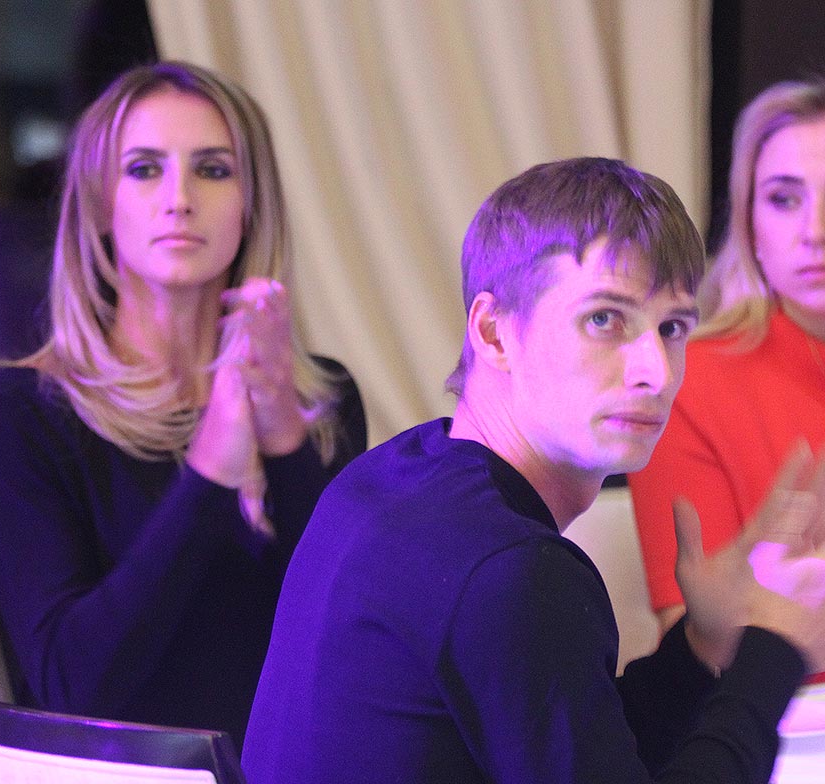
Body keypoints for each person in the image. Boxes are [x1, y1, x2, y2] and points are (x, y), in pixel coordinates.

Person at [241, 157, 825, 783]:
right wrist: (774, 650)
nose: (655, 371)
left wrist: (701, 646)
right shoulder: (510, 566)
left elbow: (580, 753)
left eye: (672, 327)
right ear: (494, 333)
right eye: (604, 319)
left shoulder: (393, 476)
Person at [0, 61, 367, 746]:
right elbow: (75, 689)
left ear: (252, 204)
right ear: (98, 206)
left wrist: (284, 442)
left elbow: (355, 645)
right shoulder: (19, 419)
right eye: (144, 169)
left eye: (213, 170)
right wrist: (208, 474)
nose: (180, 199)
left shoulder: (323, 402)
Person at [629, 80, 825, 638]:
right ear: (749, 224)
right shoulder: (687, 381)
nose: (815, 231)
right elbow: (695, 647)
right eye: (784, 199)